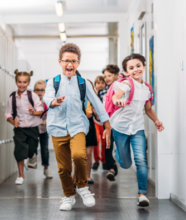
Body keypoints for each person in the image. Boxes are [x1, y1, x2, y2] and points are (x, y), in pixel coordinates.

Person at [43, 43, 111, 211]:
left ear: (78, 63)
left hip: (77, 127)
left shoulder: (83, 83)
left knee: (80, 156)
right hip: (58, 128)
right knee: (63, 168)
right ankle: (68, 195)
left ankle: (82, 187)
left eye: (73, 61)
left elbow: (97, 104)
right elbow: (46, 99)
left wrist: (107, 125)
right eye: (66, 61)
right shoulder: (53, 82)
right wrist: (53, 102)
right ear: (60, 62)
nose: (70, 65)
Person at [110, 54, 164, 207]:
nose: (136, 70)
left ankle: (142, 194)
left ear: (144, 67)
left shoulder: (147, 88)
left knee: (141, 160)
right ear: (127, 72)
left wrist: (157, 120)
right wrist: (118, 100)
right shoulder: (127, 84)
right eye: (131, 68)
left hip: (138, 128)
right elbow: (116, 96)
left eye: (138, 66)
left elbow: (147, 109)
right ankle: (118, 153)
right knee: (126, 164)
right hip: (120, 127)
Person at [5, 70, 44, 185]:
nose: (22, 84)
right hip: (20, 128)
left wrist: (33, 112)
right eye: (19, 82)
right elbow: (7, 114)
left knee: (31, 150)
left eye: (24, 82)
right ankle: (21, 175)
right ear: (16, 82)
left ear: (28, 83)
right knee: (19, 150)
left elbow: (40, 110)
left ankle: (32, 155)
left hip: (32, 128)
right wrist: (13, 122)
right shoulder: (12, 98)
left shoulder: (33, 96)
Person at [102, 64, 121, 181]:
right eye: (105, 76)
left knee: (118, 148)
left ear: (116, 75)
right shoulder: (106, 90)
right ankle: (112, 169)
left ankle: (115, 166)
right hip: (109, 123)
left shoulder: (121, 87)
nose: (107, 78)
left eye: (109, 75)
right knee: (107, 145)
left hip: (119, 123)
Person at [33, 80, 53, 179]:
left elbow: (52, 114)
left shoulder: (47, 102)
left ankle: (46, 168)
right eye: (37, 90)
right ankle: (33, 160)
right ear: (34, 91)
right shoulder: (31, 102)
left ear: (45, 91)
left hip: (44, 129)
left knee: (44, 149)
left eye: (42, 90)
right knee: (33, 146)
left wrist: (46, 121)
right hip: (33, 128)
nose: (40, 92)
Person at [92, 76, 107, 171]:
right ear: (95, 85)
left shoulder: (106, 94)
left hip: (105, 122)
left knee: (104, 141)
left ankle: (104, 160)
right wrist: (96, 113)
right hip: (96, 121)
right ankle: (96, 160)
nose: (100, 85)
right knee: (96, 141)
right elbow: (92, 104)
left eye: (102, 83)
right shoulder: (93, 94)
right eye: (98, 83)